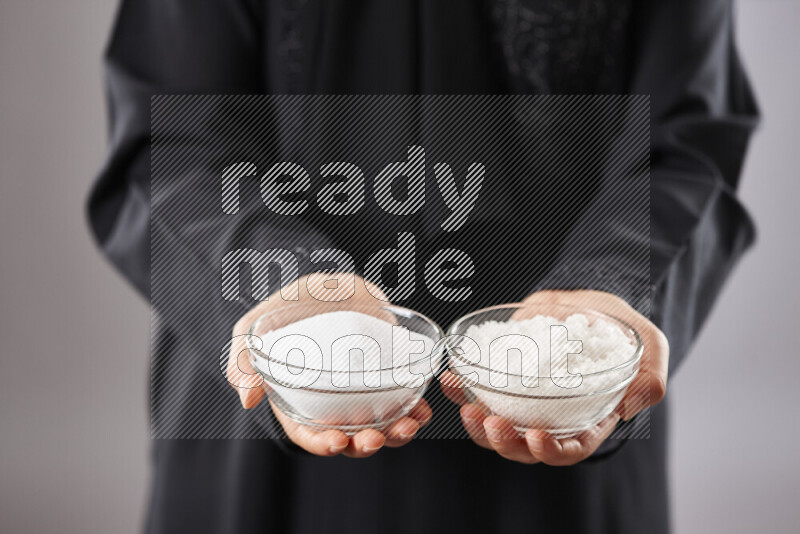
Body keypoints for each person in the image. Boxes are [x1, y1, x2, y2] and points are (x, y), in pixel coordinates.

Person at [88, 1, 757, 532]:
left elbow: (685, 139)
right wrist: (290, 287)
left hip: (560, 410)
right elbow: (170, 138)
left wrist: (612, 287)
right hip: (271, 410)